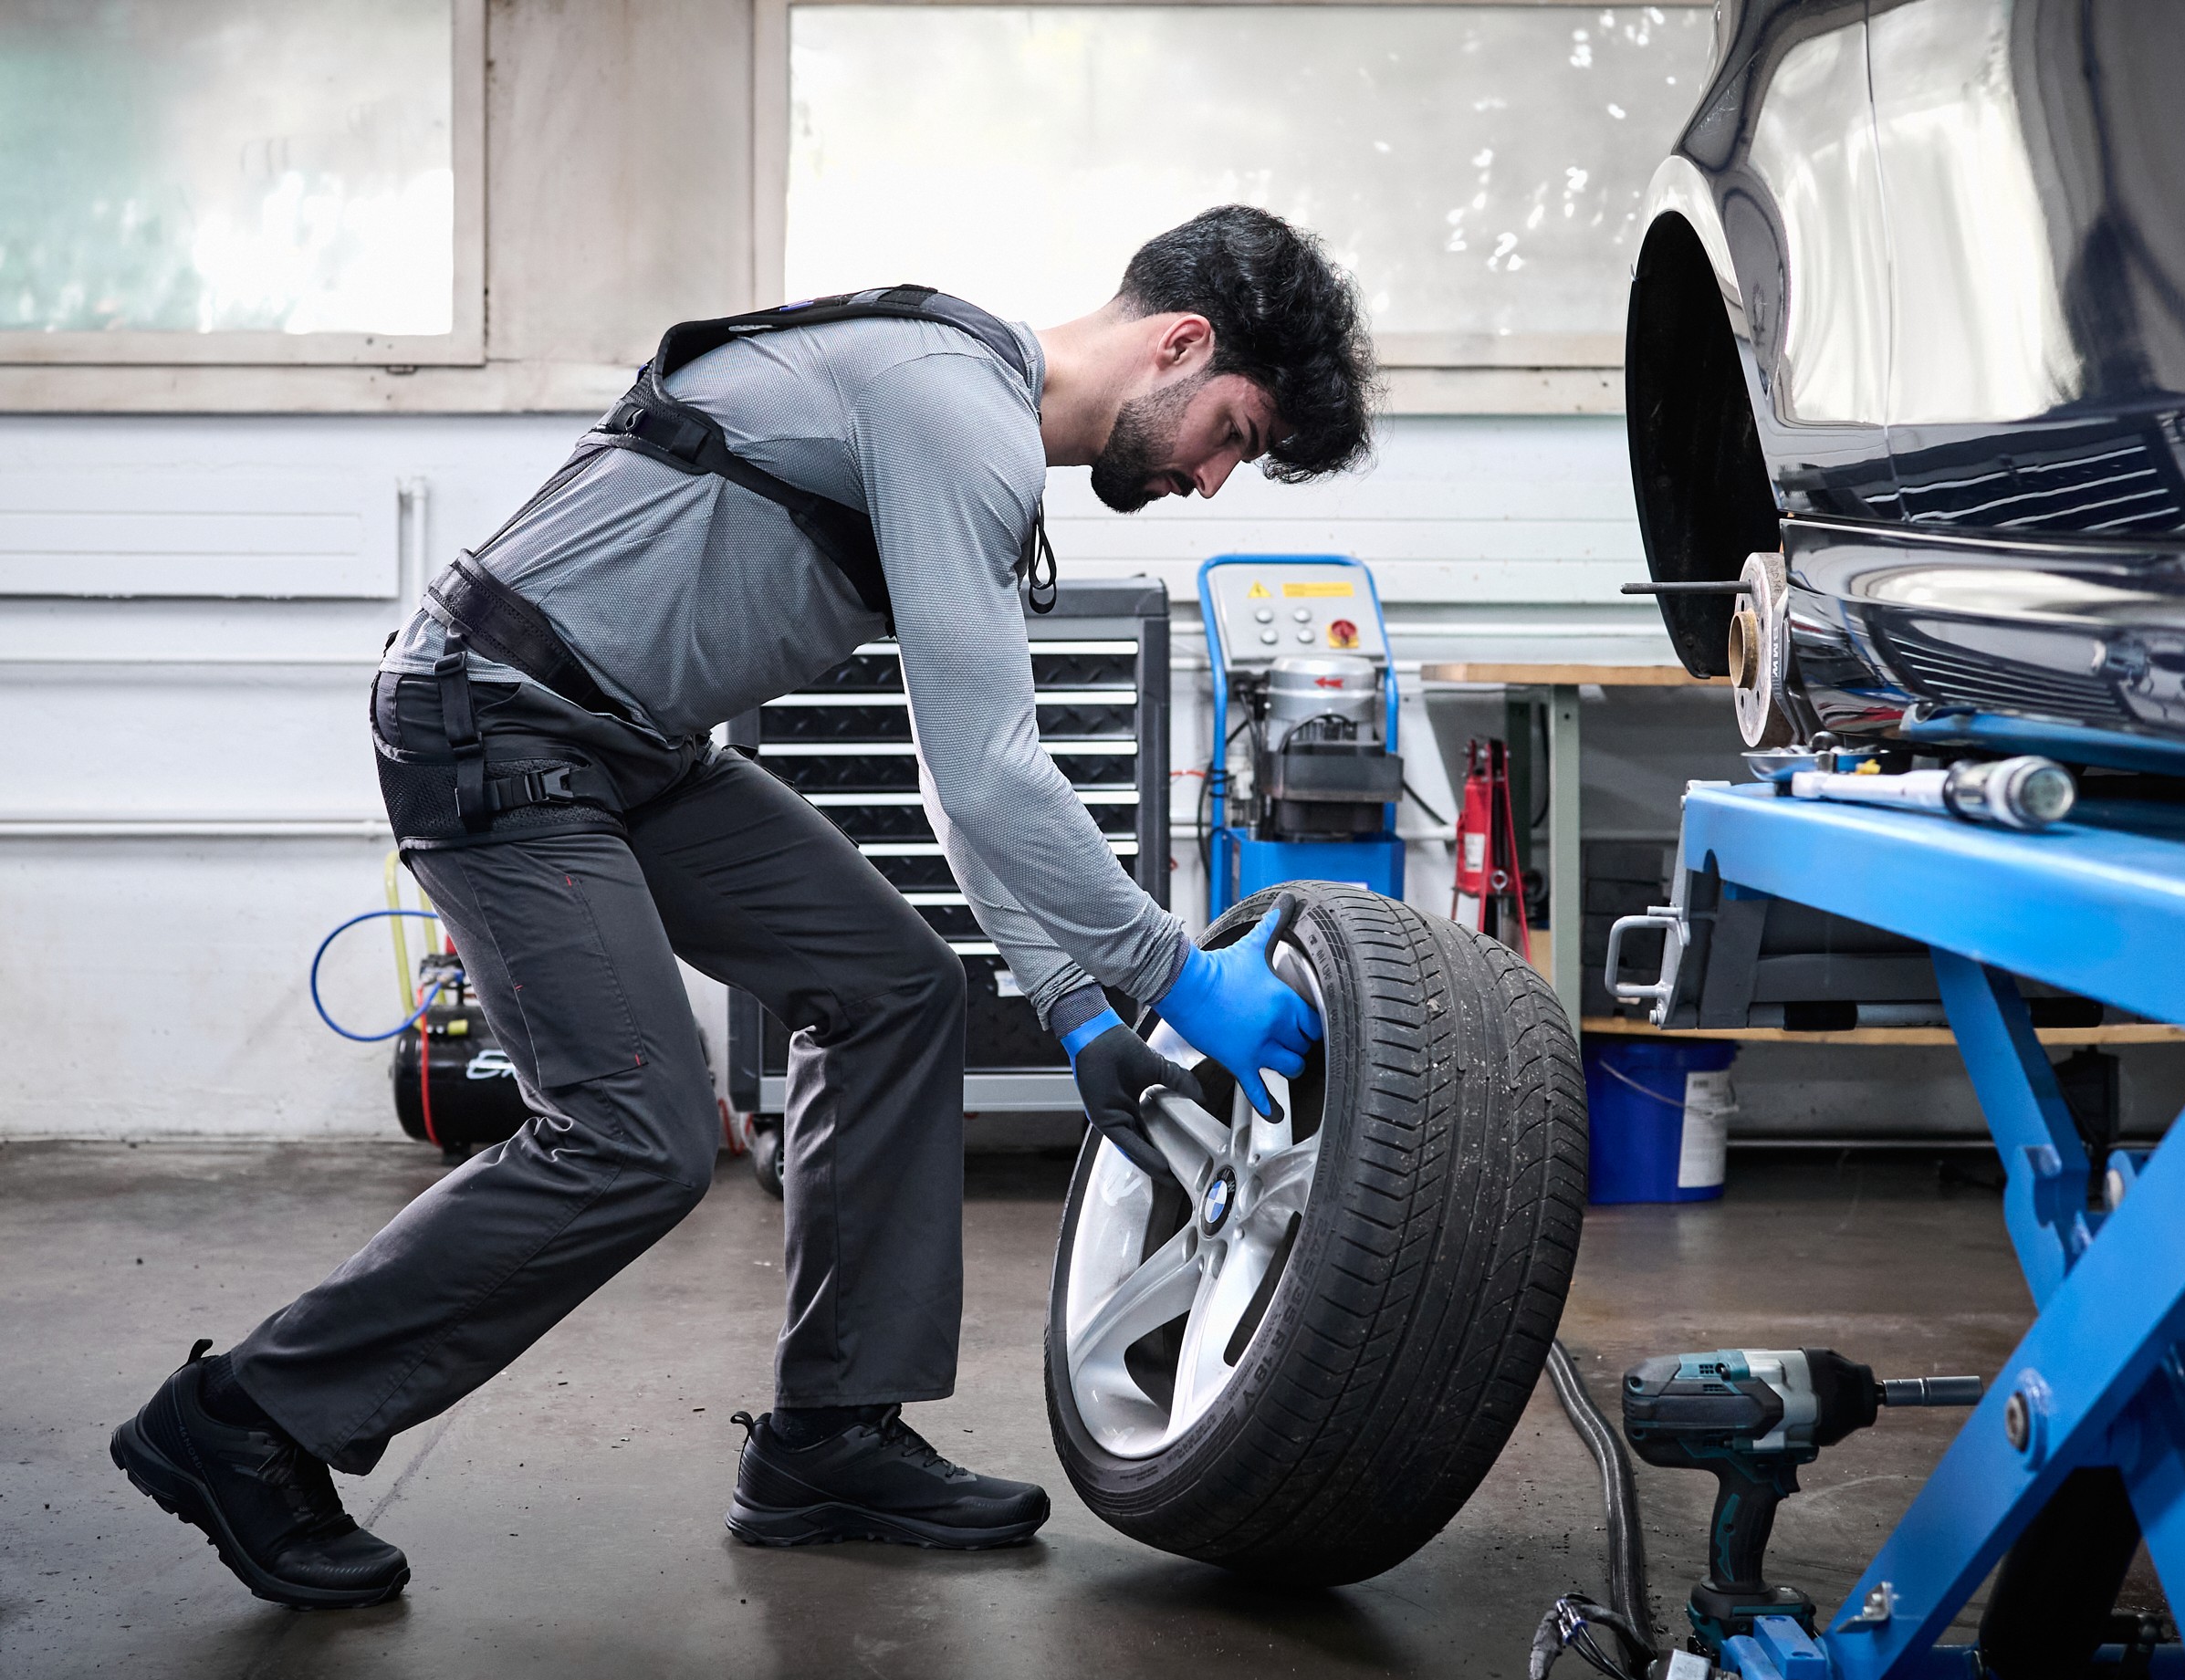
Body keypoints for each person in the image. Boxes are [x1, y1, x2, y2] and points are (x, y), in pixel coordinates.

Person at [110, 204, 1377, 1609]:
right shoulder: (953, 406)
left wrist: (1077, 1006)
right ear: (1181, 345)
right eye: (1235, 437)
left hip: (633, 752)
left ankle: (828, 1439)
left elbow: (964, 784)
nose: (1212, 483)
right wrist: (1165, 972)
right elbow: (997, 768)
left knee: (896, 989)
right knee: (635, 1136)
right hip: (497, 720)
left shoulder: (972, 442)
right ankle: (248, 1419)